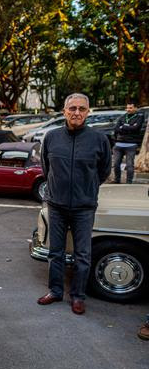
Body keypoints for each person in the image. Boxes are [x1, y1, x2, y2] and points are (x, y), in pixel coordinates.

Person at [38, 93, 111, 315]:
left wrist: (85, 190)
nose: (76, 112)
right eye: (72, 108)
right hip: (57, 205)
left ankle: (78, 297)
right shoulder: (51, 137)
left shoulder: (99, 140)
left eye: (81, 109)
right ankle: (56, 291)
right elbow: (46, 168)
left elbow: (104, 171)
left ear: (88, 112)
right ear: (64, 112)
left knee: (82, 255)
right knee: (55, 252)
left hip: (84, 207)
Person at [113, 102, 145, 184]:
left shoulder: (139, 117)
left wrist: (123, 126)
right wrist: (129, 127)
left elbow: (136, 128)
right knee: (116, 164)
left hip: (131, 144)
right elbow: (116, 129)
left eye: (130, 108)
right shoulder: (122, 117)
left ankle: (129, 182)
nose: (128, 110)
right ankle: (117, 180)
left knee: (129, 164)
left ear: (135, 108)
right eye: (127, 108)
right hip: (119, 144)